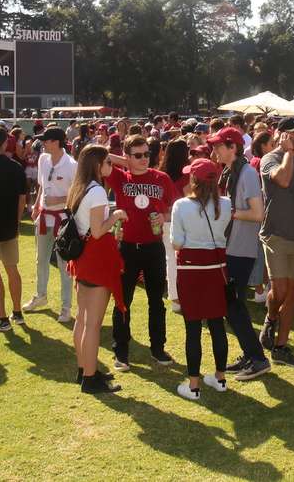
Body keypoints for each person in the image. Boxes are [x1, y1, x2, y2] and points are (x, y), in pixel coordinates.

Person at [107, 135, 177, 371]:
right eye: (138, 155)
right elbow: (96, 155)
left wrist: (163, 217)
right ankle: (121, 352)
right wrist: (127, 164)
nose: (144, 159)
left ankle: (158, 348)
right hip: (126, 247)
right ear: (127, 156)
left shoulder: (161, 178)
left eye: (147, 154)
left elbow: (174, 210)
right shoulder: (119, 177)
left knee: (156, 301)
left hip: (153, 247)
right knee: (123, 301)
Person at [208, 127, 272, 380]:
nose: (214, 150)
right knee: (233, 305)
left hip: (240, 250)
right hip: (232, 247)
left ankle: (257, 358)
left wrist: (228, 212)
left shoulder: (246, 174)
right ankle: (250, 354)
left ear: (232, 147)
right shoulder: (232, 172)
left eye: (218, 146)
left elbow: (257, 214)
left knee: (233, 306)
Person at [65, 145, 127, 394]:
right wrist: (117, 214)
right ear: (97, 165)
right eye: (108, 162)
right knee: (92, 323)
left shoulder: (79, 187)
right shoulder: (98, 191)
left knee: (82, 319)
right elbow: (99, 230)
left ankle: (85, 370)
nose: (111, 167)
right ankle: (90, 377)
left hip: (82, 258)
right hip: (96, 258)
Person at [170, 158, 233, 400]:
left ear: (193, 180)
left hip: (191, 270)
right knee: (217, 324)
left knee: (193, 327)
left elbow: (177, 242)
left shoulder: (181, 206)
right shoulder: (226, 204)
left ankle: (194, 385)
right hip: (217, 268)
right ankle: (220, 378)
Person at [259, 117, 294, 367]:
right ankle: (270, 318)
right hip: (276, 234)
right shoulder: (270, 159)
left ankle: (281, 346)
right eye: (293, 134)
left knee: (293, 293)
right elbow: (283, 180)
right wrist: (288, 152)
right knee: (279, 290)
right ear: (281, 135)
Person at [22, 127, 77, 322]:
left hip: (63, 220)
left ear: (57, 142)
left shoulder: (72, 165)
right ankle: (41, 295)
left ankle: (66, 307)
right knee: (41, 259)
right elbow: (42, 187)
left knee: (64, 264)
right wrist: (37, 205)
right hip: (44, 218)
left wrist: (60, 199)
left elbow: (77, 195)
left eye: (46, 140)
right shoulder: (43, 159)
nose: (43, 143)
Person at [0, 127, 28, 332]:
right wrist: (17, 223)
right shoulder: (16, 168)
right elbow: (22, 199)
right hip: (10, 229)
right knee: (12, 269)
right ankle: (16, 313)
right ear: (4, 144)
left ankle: (2, 318)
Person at [159, 139, 190, 314]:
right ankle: (179, 297)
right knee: (178, 261)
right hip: (179, 221)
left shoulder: (160, 173)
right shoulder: (186, 176)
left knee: (170, 260)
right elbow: (190, 200)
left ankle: (175, 298)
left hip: (164, 220)